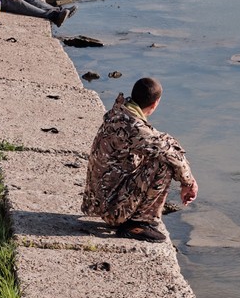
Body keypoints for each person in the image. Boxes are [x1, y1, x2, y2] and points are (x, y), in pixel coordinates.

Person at [82, 77, 198, 243]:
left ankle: (136, 218)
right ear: (156, 103)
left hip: (99, 200)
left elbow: (162, 140)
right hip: (111, 208)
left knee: (163, 148)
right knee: (164, 163)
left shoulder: (120, 112)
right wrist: (189, 183)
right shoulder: (134, 128)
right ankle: (137, 223)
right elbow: (169, 154)